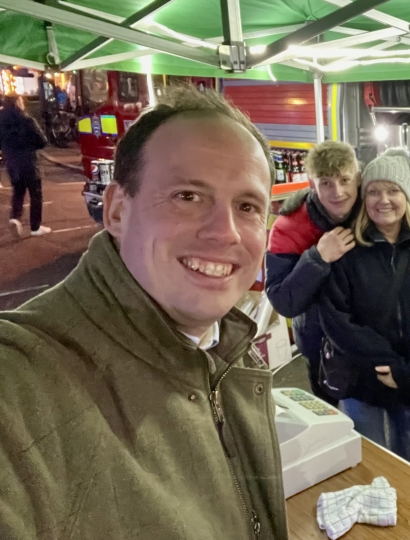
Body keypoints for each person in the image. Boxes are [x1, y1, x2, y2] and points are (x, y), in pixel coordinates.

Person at [0, 86, 288, 539]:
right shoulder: (22, 379)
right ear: (116, 209)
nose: (224, 232)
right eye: (187, 196)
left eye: (248, 206)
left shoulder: (226, 347)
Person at [319, 148, 410, 464]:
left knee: (407, 461)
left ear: (407, 195)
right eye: (374, 191)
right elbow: (336, 318)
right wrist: (387, 362)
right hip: (362, 377)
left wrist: (407, 369)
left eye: (393, 190)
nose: (384, 199)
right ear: (363, 198)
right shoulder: (346, 246)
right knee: (368, 463)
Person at [265, 140, 361, 406]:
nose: (338, 192)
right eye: (326, 182)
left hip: (373, 341)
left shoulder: (373, 211)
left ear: (358, 178)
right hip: (321, 347)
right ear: (312, 184)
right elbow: (283, 300)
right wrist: (317, 258)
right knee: (332, 428)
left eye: (344, 180)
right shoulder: (289, 226)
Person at [0, 94, 50, 237]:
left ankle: (14, 217)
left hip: (11, 163)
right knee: (36, 194)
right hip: (29, 162)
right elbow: (42, 141)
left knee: (18, 191)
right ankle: (35, 227)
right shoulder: (27, 120)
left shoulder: (2, 122)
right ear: (17, 103)